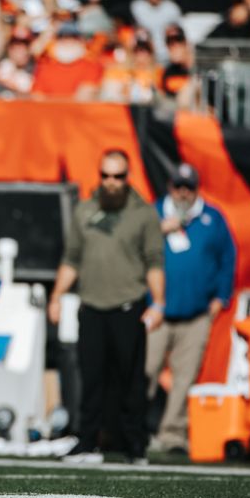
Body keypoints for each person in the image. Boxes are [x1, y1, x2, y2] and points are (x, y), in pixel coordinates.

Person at [48, 149, 165, 464]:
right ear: (98, 176)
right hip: (92, 305)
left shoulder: (143, 214)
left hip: (128, 305)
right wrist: (57, 296)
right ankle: (87, 442)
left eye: (118, 176)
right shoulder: (85, 211)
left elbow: (154, 261)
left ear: (128, 178)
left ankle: (134, 446)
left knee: (131, 381)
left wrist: (159, 304)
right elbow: (71, 258)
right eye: (106, 176)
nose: (111, 183)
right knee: (91, 379)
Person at [145, 163, 235, 455]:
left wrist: (220, 298)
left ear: (197, 188)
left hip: (196, 313)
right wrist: (158, 231)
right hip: (157, 310)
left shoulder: (212, 218)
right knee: (145, 370)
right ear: (170, 186)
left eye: (189, 187)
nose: (183, 193)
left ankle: (172, 435)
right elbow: (132, 250)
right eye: (178, 186)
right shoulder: (153, 213)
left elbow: (227, 259)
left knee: (185, 378)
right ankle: (136, 427)